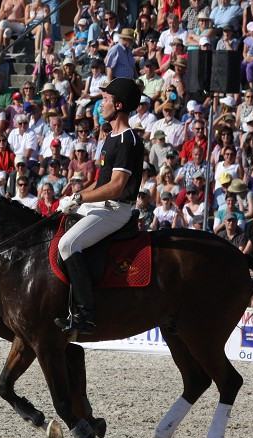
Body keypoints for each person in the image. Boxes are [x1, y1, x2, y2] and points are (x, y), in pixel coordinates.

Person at [54, 78, 143, 335]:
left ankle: (85, 314)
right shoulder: (111, 137)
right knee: (56, 221)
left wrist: (81, 199)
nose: (100, 105)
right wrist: (73, 196)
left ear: (119, 104)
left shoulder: (128, 139)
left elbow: (116, 187)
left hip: (116, 210)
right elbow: (99, 181)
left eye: (105, 100)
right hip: (100, 204)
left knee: (68, 244)